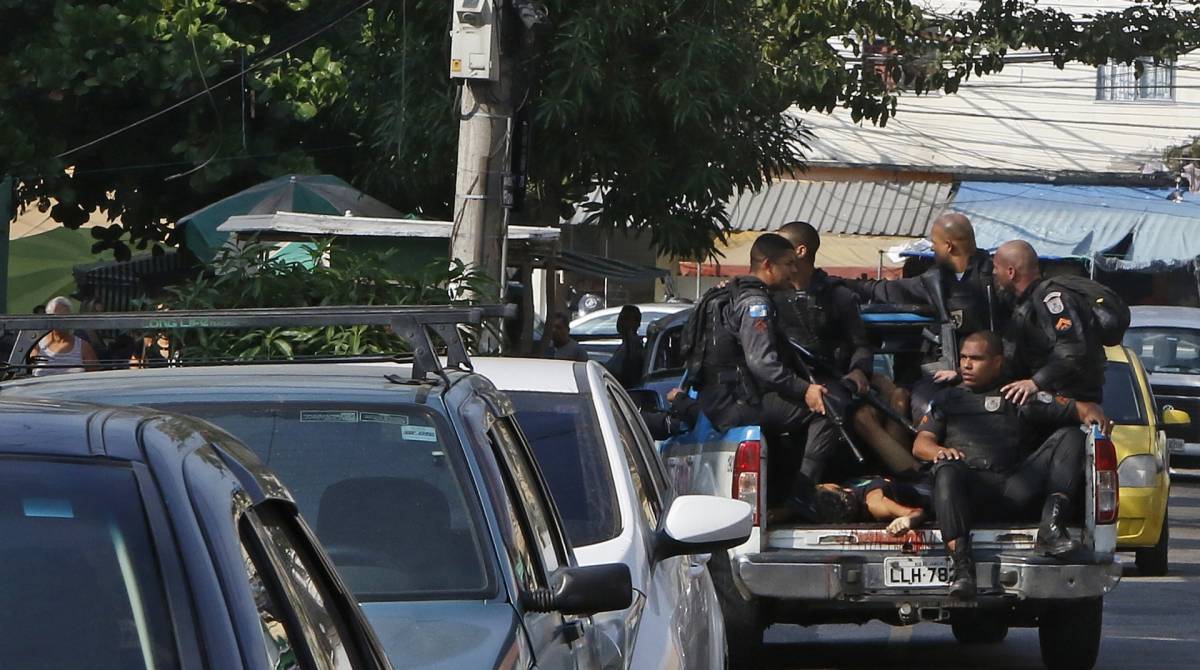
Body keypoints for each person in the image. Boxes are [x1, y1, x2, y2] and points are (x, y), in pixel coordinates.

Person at [914, 331, 1110, 600]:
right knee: (946, 470)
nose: (967, 365)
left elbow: (1079, 409)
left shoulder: (1017, 394)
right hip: (969, 493)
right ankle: (961, 567)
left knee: (1071, 436)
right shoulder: (947, 399)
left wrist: (1093, 412)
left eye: (977, 359)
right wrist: (939, 451)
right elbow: (921, 444)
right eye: (963, 358)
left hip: (1014, 488)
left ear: (997, 363)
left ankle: (1051, 525)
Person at [689, 233, 842, 482]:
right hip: (736, 402)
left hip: (721, 399)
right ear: (768, 265)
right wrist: (805, 390)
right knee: (830, 406)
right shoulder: (755, 303)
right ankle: (803, 494)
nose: (794, 270)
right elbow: (762, 363)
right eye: (788, 264)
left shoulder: (730, 294)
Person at [773, 221, 919, 476]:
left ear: (801, 251)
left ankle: (910, 477)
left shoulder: (837, 295)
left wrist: (859, 371)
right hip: (792, 386)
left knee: (865, 415)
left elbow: (860, 344)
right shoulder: (767, 295)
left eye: (781, 247)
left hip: (840, 384)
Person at [850, 213, 1003, 343]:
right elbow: (889, 290)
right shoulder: (933, 280)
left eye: (935, 243)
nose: (932, 247)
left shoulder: (995, 277)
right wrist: (843, 284)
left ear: (949, 246)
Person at [992, 240, 1106, 404]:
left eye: (996, 268)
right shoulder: (1026, 303)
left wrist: (1035, 382)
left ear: (1011, 272)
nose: (994, 273)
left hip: (1069, 403)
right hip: (1052, 401)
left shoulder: (1050, 298)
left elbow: (1072, 350)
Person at [780, 472, 931, 535]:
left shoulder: (863, 497)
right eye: (820, 487)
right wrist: (907, 520)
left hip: (915, 480)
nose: (820, 484)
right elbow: (917, 513)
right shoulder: (875, 503)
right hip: (923, 485)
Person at [29, 296, 99, 377]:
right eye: (59, 317)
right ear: (49, 319)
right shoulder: (37, 347)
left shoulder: (83, 347)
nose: (63, 321)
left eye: (67, 317)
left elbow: (95, 379)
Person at [604, 304, 645, 387]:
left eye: (625, 319)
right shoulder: (626, 344)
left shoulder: (632, 346)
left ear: (637, 323)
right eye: (620, 318)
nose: (620, 322)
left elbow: (626, 374)